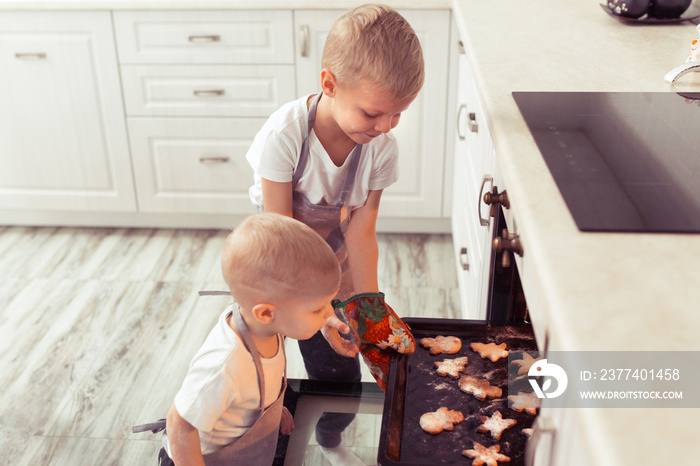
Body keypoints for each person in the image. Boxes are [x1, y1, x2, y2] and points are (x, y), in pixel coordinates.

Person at [245, 4, 424, 465]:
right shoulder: (285, 135)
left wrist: (367, 310)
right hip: (273, 261)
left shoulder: (379, 149)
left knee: (339, 375)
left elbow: (363, 231)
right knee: (264, 371)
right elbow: (281, 235)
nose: (386, 127)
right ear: (329, 84)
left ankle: (327, 441)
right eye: (373, 112)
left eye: (397, 115)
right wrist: (316, 311)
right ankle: (265, 446)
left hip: (333, 260)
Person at [161, 213, 341, 466]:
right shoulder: (224, 366)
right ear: (266, 312)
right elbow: (179, 424)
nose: (328, 313)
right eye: (317, 309)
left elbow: (255, 386)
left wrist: (270, 411)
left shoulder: (268, 324)